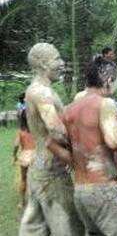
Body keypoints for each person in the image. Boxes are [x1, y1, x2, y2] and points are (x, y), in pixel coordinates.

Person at [48, 57, 117, 235]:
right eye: (116, 80)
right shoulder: (105, 104)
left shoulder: (69, 110)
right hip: (103, 191)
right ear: (108, 81)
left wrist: (77, 161)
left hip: (81, 192)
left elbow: (52, 142)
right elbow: (115, 140)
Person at [19, 43, 85, 236]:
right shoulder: (42, 93)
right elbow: (56, 130)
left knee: (34, 229)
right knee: (69, 228)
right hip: (52, 173)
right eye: (57, 59)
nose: (62, 63)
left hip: (39, 169)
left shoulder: (37, 90)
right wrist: (81, 147)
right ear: (42, 63)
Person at [13, 109, 35, 208]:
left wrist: (14, 155)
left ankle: (22, 202)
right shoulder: (37, 130)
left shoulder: (20, 132)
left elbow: (16, 144)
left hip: (25, 156)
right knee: (38, 179)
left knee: (23, 179)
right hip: (36, 156)